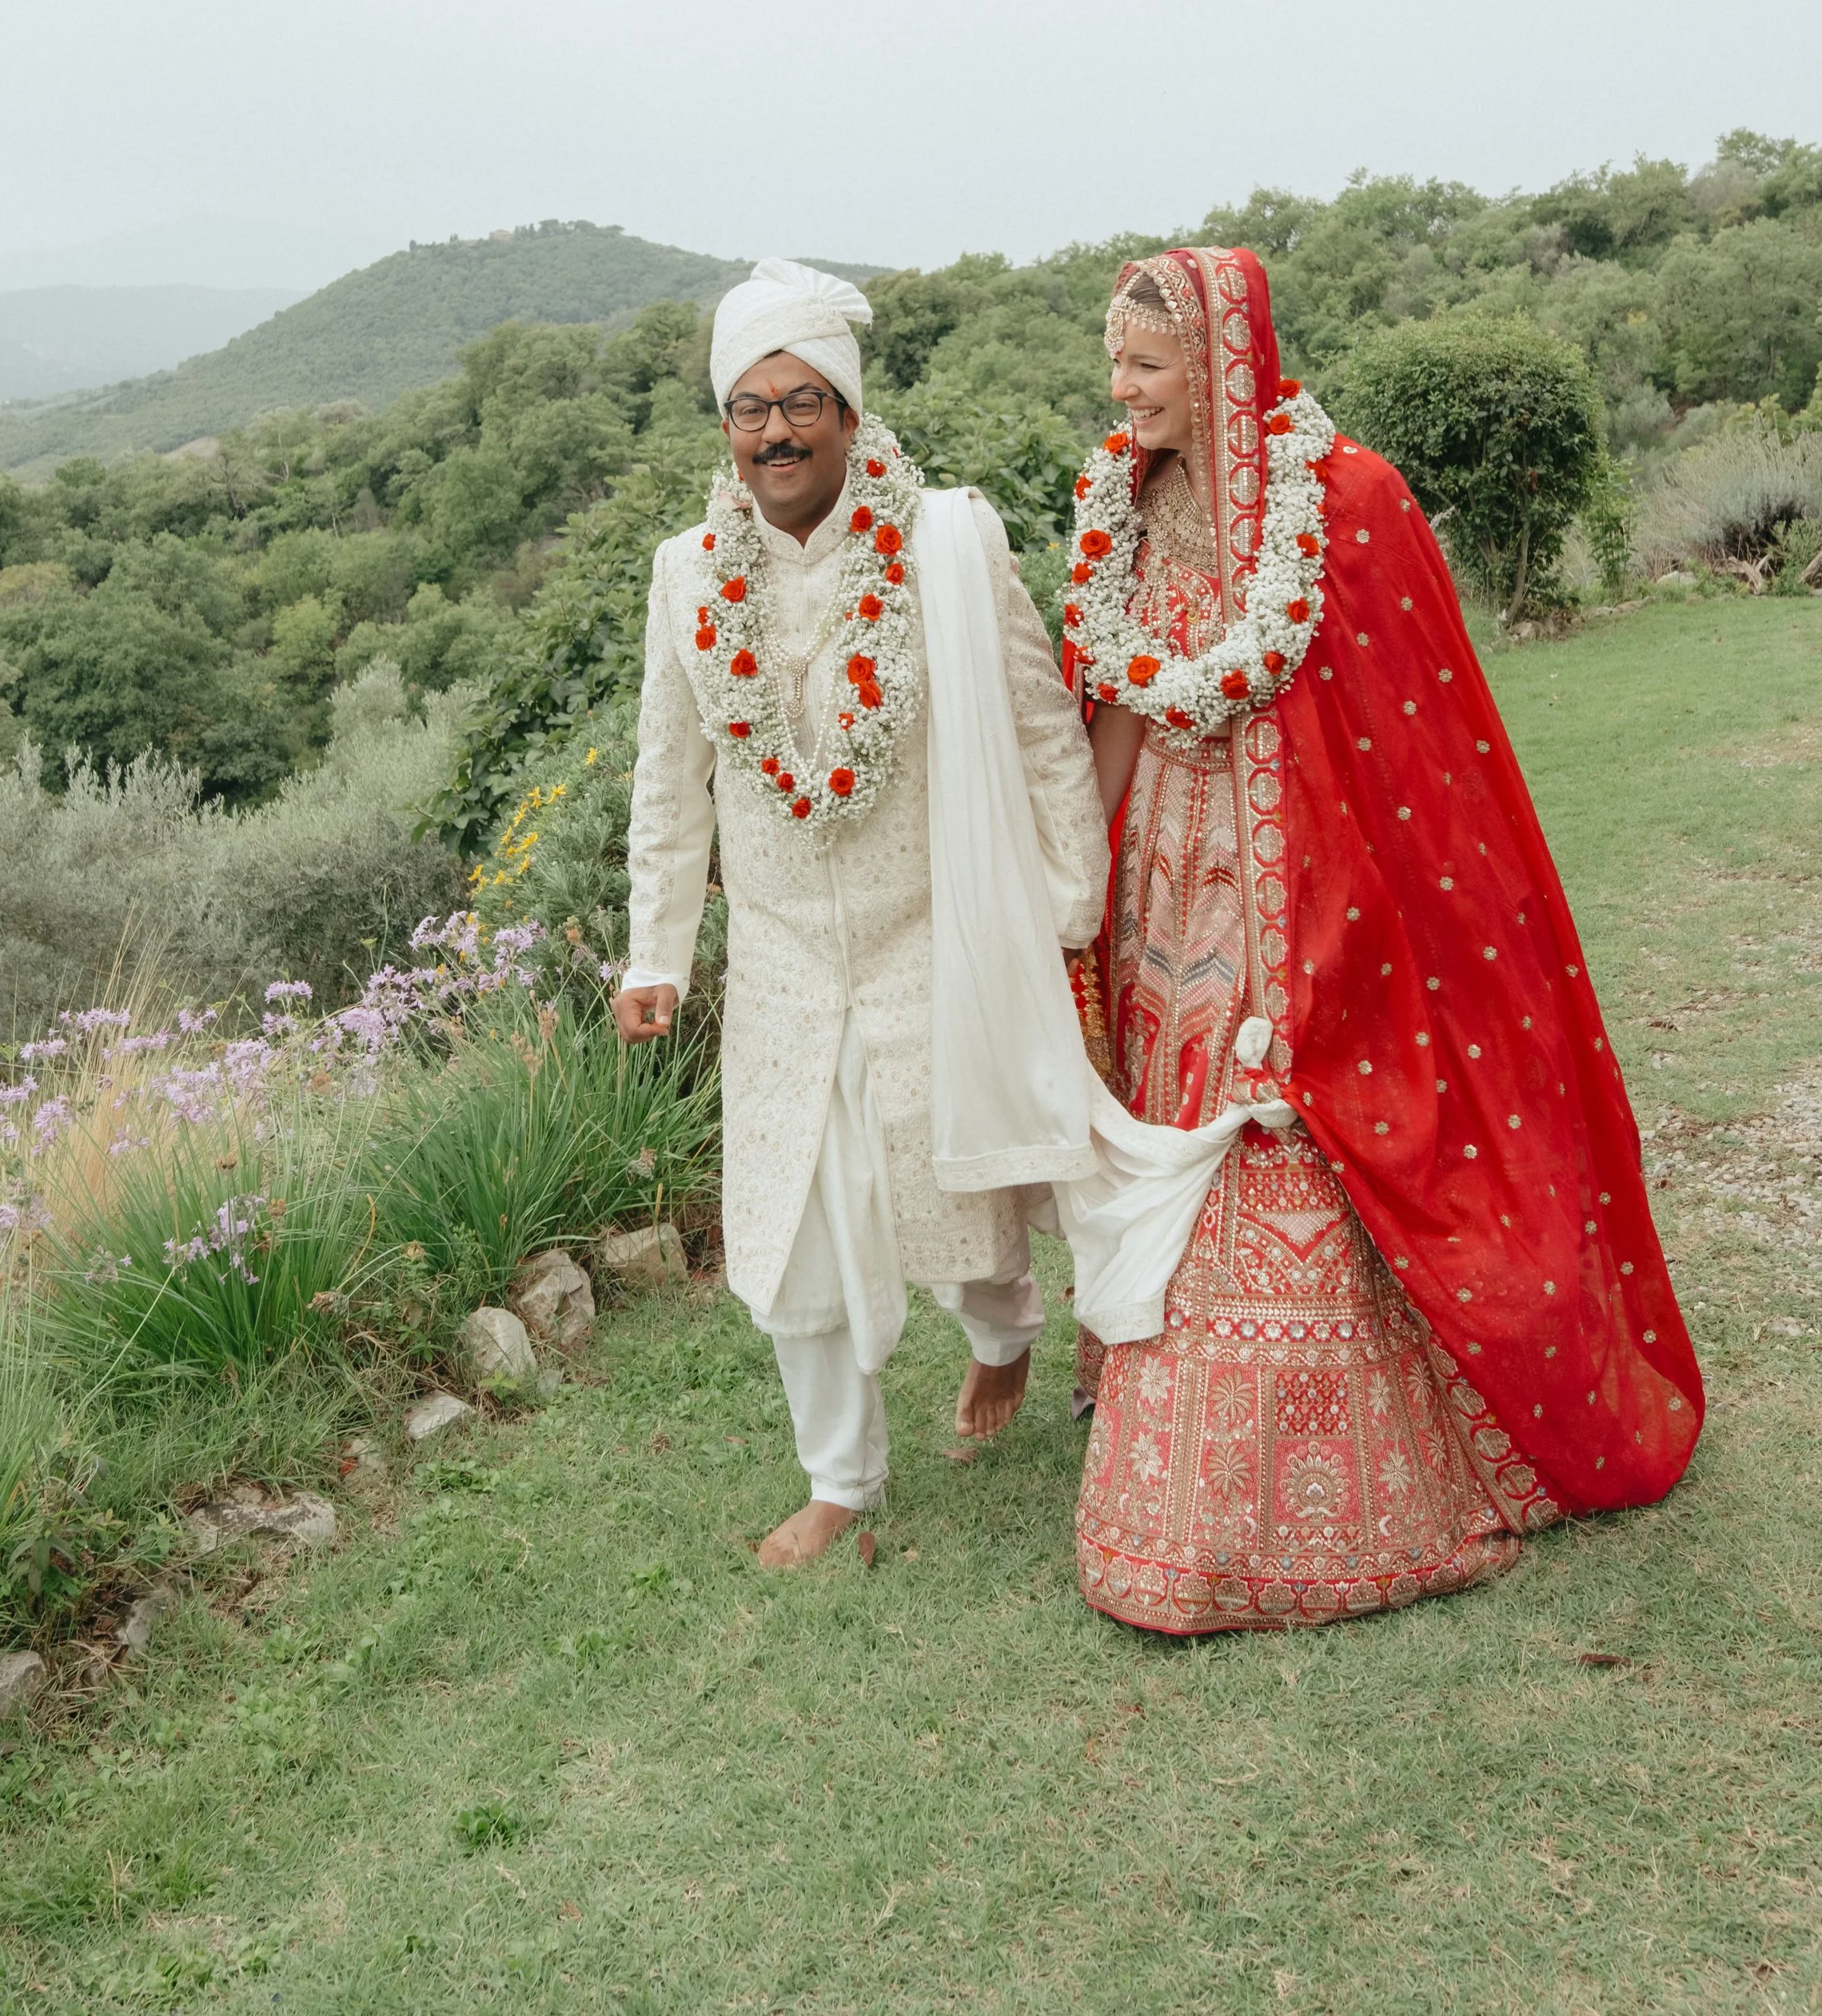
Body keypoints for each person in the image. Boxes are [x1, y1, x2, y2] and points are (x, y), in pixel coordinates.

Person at [1061, 247, 1703, 1635]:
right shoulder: (1124, 500)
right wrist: (1076, 896)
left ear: (1225, 359)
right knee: (1175, 1120)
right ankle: (1151, 1410)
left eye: (1149, 367)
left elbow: (1424, 744)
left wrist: (1336, 930)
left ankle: (1298, 1492)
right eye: (1114, 364)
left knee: (1289, 1132)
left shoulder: (1344, 503)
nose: (1122, 392)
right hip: (1165, 894)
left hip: (1321, 896)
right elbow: (1109, 700)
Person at [614, 257, 1110, 1568]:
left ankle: (1004, 1337)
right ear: (725, 425)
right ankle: (841, 1477)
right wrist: (653, 953)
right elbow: (671, 784)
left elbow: (1039, 720)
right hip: (779, 954)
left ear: (845, 410)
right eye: (748, 408)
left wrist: (1070, 899)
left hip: (930, 932)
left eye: (801, 403)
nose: (774, 431)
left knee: (965, 1189)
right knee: (795, 1218)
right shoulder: (684, 576)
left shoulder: (946, 539)